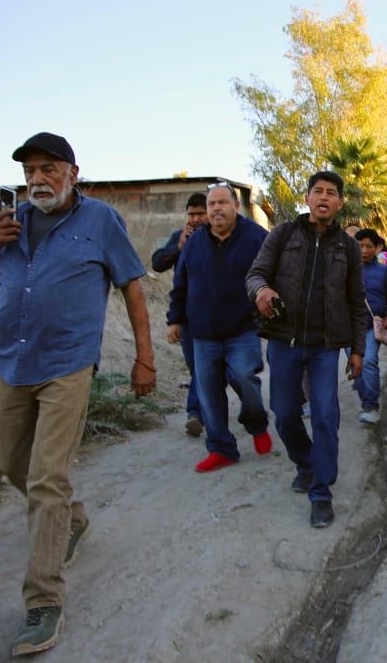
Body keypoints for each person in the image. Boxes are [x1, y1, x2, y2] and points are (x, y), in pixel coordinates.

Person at [0, 132, 156, 656]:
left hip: (67, 365)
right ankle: (72, 519)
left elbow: (133, 288)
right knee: (13, 466)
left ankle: (43, 602)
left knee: (46, 476)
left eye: (49, 168)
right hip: (8, 359)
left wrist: (145, 358)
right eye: (30, 170)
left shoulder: (100, 221)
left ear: (73, 172)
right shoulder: (12, 225)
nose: (37, 179)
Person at [246, 170, 367, 528]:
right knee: (284, 413)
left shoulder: (349, 247)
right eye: (318, 191)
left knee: (326, 416)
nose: (324, 198)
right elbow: (255, 274)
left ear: (340, 203)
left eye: (331, 193)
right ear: (307, 198)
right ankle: (306, 463)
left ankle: (321, 493)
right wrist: (261, 292)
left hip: (324, 347)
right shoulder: (283, 235)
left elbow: (357, 301)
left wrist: (357, 350)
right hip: (284, 341)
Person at [167, 183, 272, 472]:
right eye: (211, 204)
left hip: (243, 329)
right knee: (209, 393)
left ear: (235, 206)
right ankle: (222, 448)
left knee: (245, 377)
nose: (216, 209)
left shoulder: (255, 237)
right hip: (202, 334)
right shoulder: (194, 243)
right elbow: (181, 284)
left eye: (222, 203)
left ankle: (256, 423)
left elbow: (277, 269)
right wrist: (174, 319)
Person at [151, 193, 209, 437]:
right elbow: (157, 263)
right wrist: (180, 247)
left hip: (217, 316)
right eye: (191, 214)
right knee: (197, 368)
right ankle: (201, 410)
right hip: (187, 315)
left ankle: (196, 411)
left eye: (200, 214)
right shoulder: (179, 237)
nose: (195, 219)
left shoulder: (218, 236)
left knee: (208, 368)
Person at [352, 228, 387, 423]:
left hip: (372, 326)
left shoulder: (383, 271)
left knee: (369, 360)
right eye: (360, 245)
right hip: (348, 327)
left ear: (377, 248)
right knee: (357, 366)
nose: (364, 250)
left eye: (369, 246)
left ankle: (371, 406)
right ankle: (366, 403)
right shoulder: (345, 269)